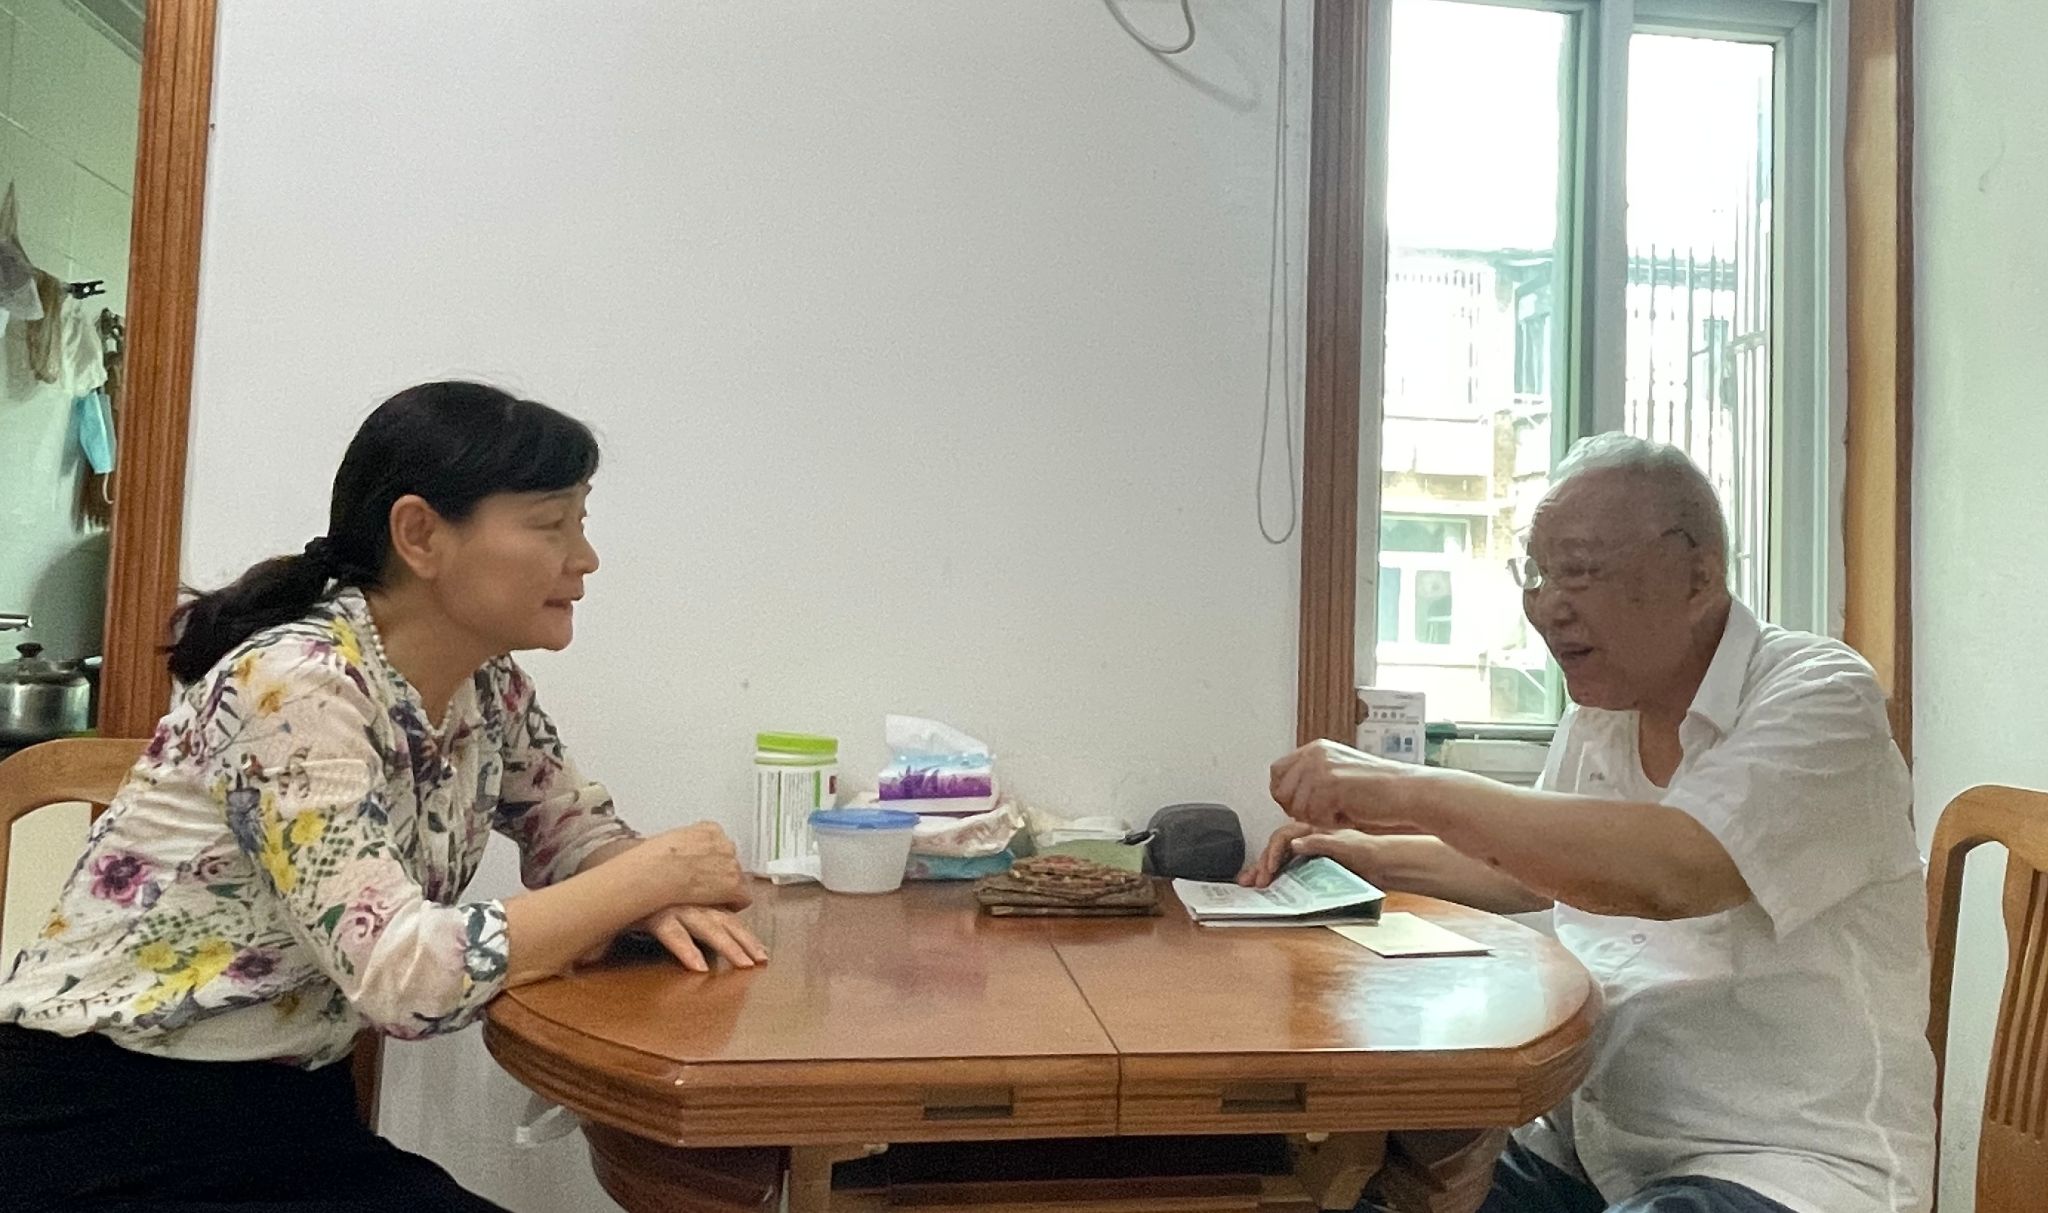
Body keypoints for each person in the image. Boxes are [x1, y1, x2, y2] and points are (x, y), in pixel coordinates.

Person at [0, 381, 764, 1212]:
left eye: (580, 522)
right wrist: (647, 876)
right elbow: (403, 974)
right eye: (552, 524)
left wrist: (645, 887)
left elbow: (570, 828)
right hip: (96, 1124)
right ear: (420, 534)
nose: (585, 558)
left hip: (284, 1118)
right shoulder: (298, 686)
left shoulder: (487, 686)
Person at [1247, 435, 1935, 1213]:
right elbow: (1530, 870)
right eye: (1536, 573)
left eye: (1577, 570)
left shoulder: (1821, 694)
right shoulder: (1604, 713)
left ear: (1698, 576)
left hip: (1782, 1165)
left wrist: (1407, 788)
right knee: (1328, 1190)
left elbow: (1676, 870)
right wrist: (1364, 856)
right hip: (1595, 1149)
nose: (1548, 605)